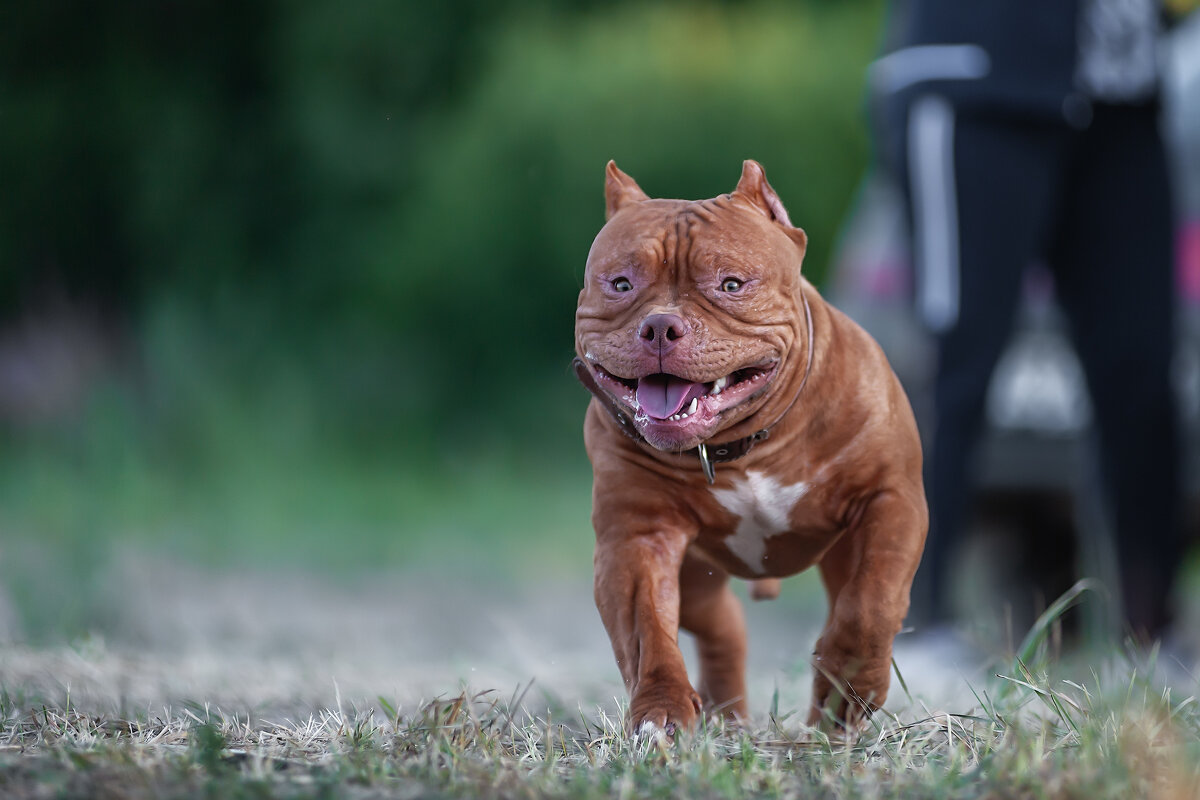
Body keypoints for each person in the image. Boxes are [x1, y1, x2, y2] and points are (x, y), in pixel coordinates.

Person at [873, 0, 1184, 642]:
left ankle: (1151, 632)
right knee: (956, 359)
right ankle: (909, 624)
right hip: (978, 79)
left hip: (1123, 97)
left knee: (1142, 368)